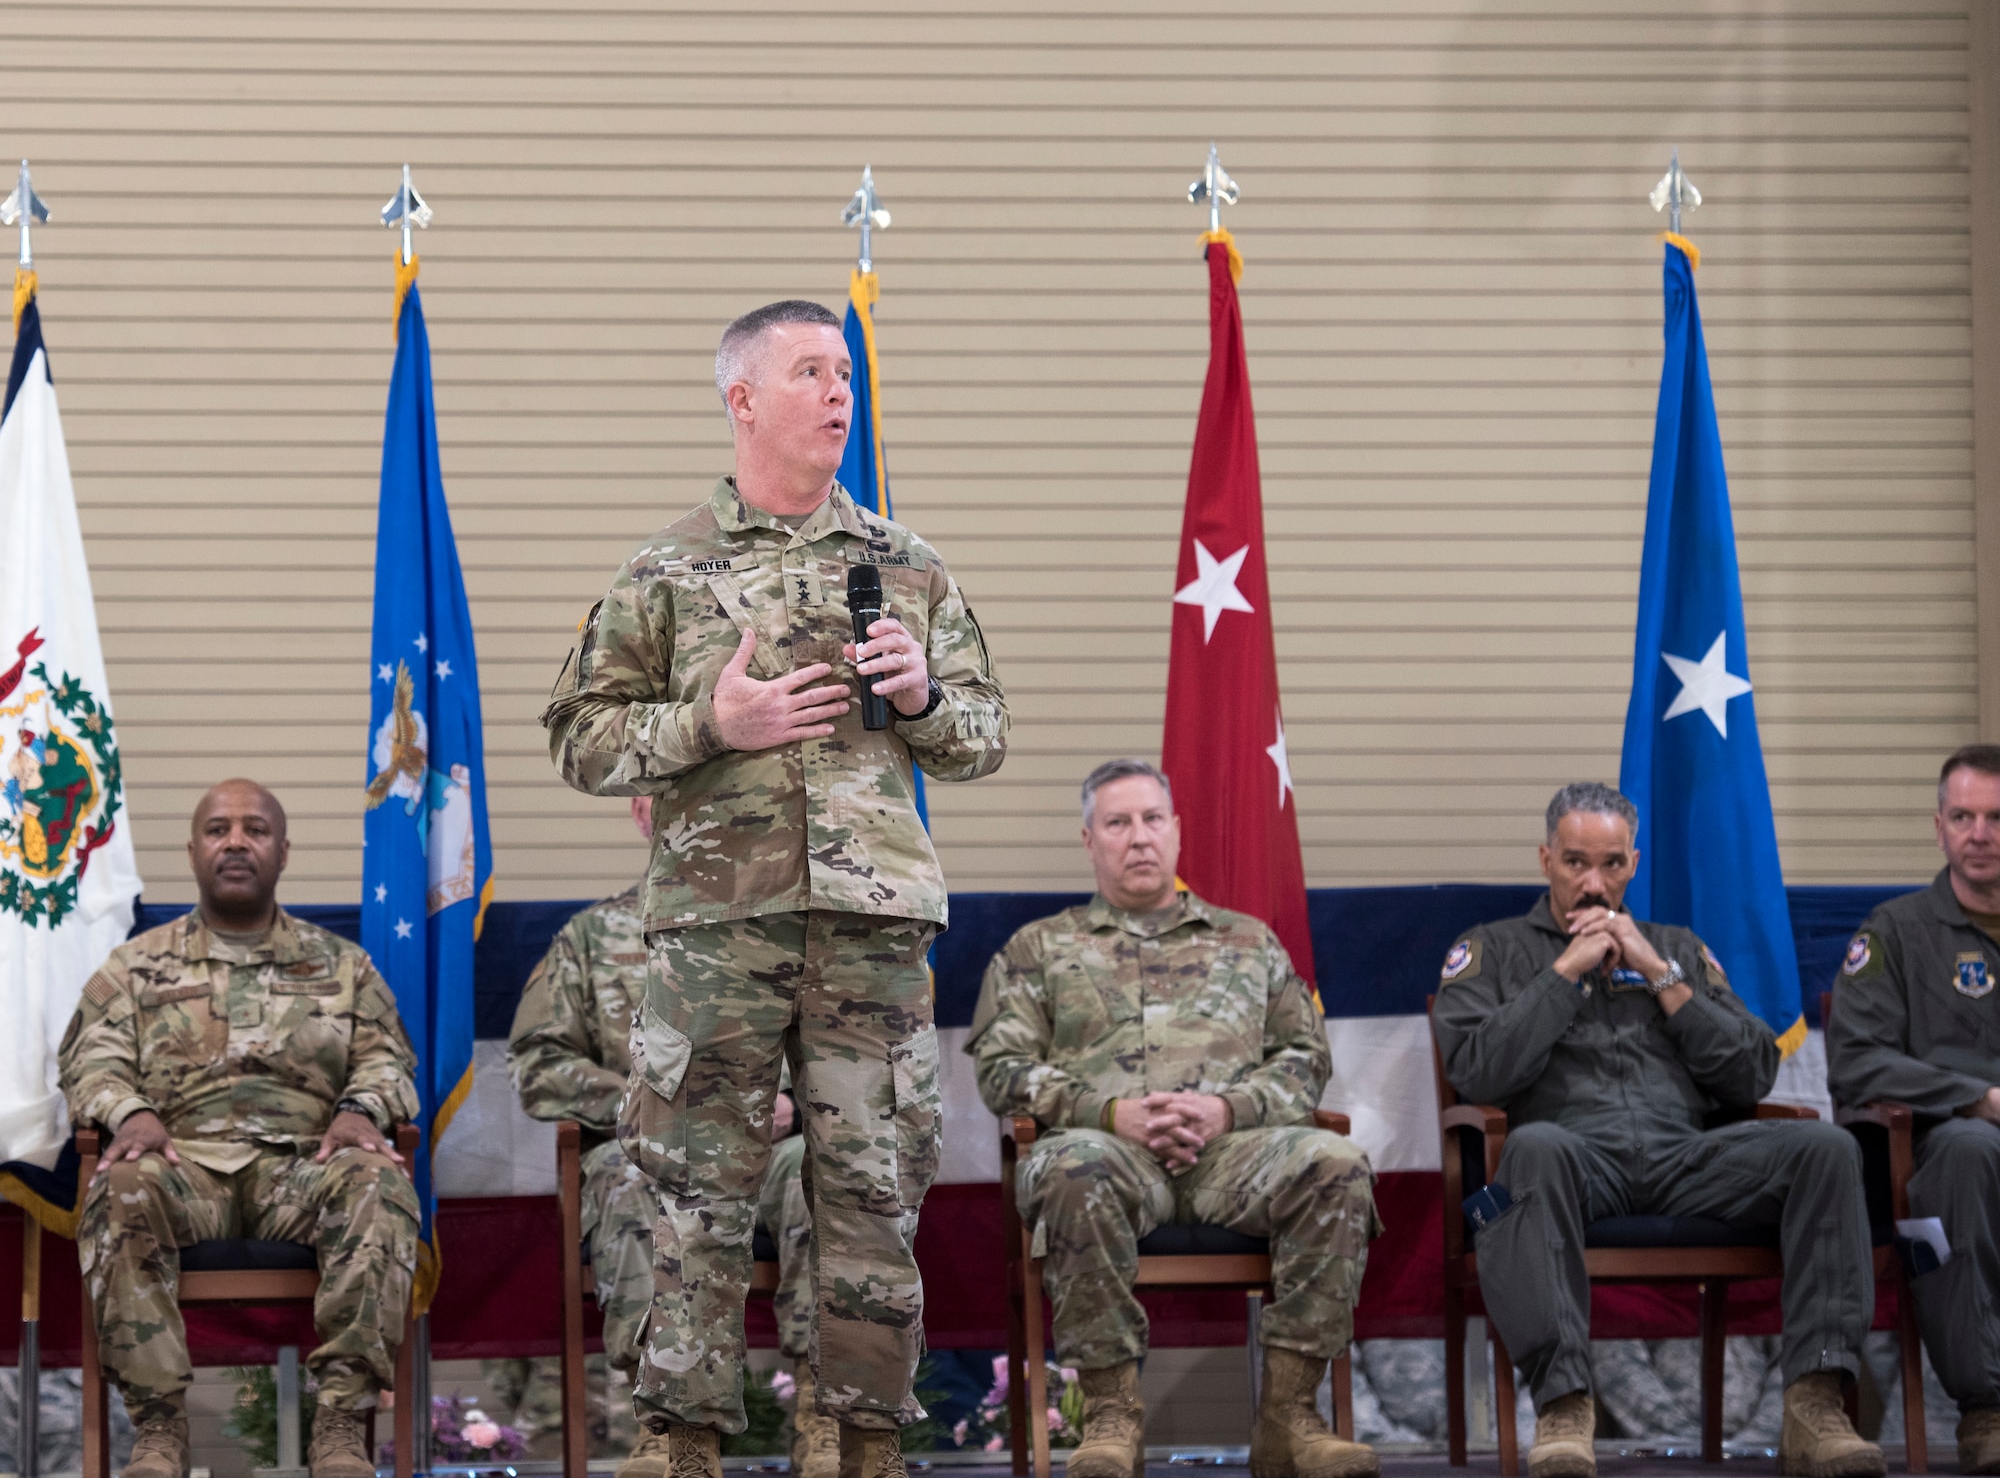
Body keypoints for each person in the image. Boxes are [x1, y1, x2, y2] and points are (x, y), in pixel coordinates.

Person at [542, 299, 1009, 1478]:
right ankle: (682, 1440)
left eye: (844, 372)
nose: (838, 392)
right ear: (742, 399)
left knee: (872, 1183)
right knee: (692, 1186)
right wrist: (713, 719)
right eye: (810, 370)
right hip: (715, 924)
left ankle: (859, 1443)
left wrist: (920, 702)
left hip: (870, 926)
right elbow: (578, 738)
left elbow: (982, 735)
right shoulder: (664, 569)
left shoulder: (907, 565)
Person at [1431, 781, 1881, 1478]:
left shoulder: (1675, 947)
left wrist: (1660, 972)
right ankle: (1565, 1405)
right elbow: (1479, 1072)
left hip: (1686, 1158)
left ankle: (1816, 1402)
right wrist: (1565, 973)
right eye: (1575, 862)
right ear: (1545, 858)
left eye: (1611, 865)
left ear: (1634, 864)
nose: (1593, 883)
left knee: (1825, 1149)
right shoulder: (1492, 951)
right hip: (1573, 1160)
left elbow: (1752, 1072)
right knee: (1533, 1147)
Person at [967, 758, 1378, 1478]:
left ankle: (1289, 1416)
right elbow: (1001, 1070)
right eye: (1118, 823)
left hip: (1234, 1158)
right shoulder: (1038, 949)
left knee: (1337, 1165)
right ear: (1088, 840)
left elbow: (1304, 1060)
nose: (1139, 838)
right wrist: (1108, 1112)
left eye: (1153, 819)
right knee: (1068, 1169)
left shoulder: (1249, 942)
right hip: (1106, 1156)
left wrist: (1229, 1108)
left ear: (1178, 832)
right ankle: (1112, 1419)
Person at [60, 780, 419, 1478]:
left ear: (282, 851)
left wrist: (360, 1109)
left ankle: (343, 1422)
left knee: (379, 1181)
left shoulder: (342, 965)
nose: (235, 842)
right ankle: (160, 1429)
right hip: (182, 1164)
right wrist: (128, 1112)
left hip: (303, 1168)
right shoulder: (135, 966)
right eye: (218, 829)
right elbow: (88, 1060)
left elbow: (389, 1058)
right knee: (120, 1188)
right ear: (192, 850)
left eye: (254, 829)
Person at [506, 796, 826, 1478]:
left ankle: (822, 1418)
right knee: (626, 1187)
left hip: (764, 1154)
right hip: (645, 1155)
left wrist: (795, 1103)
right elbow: (538, 1068)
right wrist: (642, 1099)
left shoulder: (788, 928)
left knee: (822, 1176)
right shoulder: (590, 939)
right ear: (643, 811)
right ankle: (667, 1426)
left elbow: (843, 1050)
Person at [1827, 744, 2000, 1473]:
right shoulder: (1895, 932)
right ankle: (1987, 1410)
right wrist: (1978, 1097)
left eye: (1996, 817)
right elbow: (1856, 1061)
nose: (1980, 833)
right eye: (1963, 816)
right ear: (1938, 828)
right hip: (1931, 1163)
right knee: (1971, 1151)